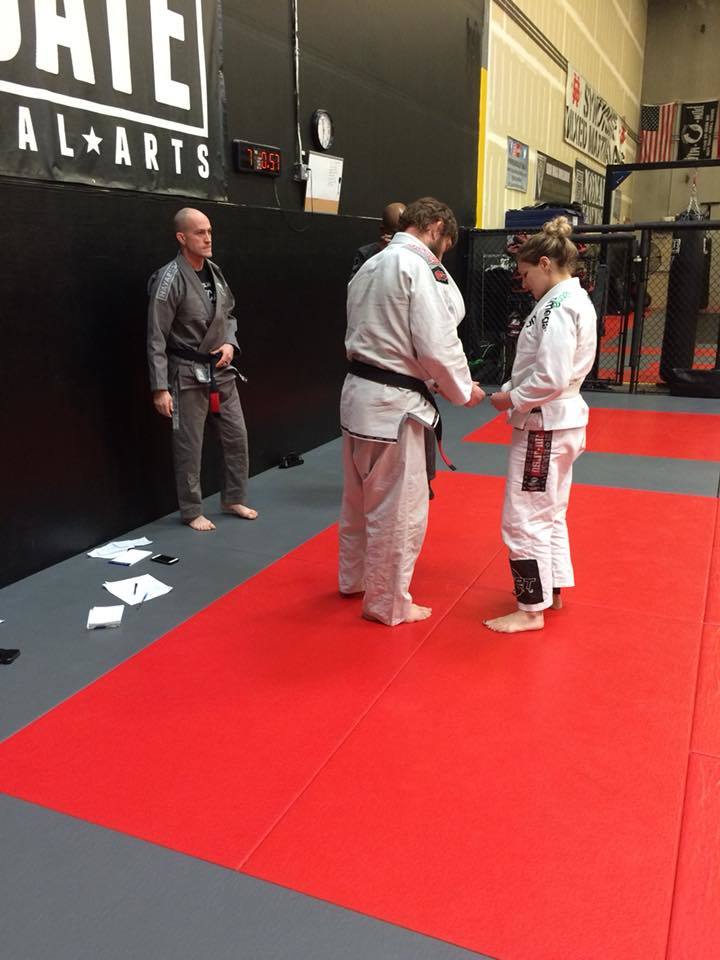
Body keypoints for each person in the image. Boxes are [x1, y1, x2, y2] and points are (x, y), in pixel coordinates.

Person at [339, 196, 485, 626]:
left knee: (357, 501)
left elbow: (390, 339)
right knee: (398, 510)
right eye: (446, 244)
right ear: (436, 227)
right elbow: (437, 341)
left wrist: (433, 380)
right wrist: (462, 390)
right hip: (394, 408)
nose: (444, 254)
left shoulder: (370, 264)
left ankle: (353, 579)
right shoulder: (417, 266)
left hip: (358, 396)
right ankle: (388, 603)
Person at [484, 216, 597, 633]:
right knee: (549, 512)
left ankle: (530, 608)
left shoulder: (557, 306)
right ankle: (553, 590)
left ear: (545, 264)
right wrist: (510, 389)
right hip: (558, 422)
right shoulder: (572, 299)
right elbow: (541, 370)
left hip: (545, 426)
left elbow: (550, 377)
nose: (524, 282)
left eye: (526, 273)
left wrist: (510, 398)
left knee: (524, 518)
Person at [147, 208, 257, 532]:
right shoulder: (169, 279)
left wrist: (230, 344)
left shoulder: (215, 272)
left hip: (220, 370)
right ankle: (191, 509)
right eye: (200, 232)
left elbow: (229, 315)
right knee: (189, 445)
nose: (208, 238)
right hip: (186, 373)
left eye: (209, 231)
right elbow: (156, 336)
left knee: (237, 437)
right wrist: (160, 388)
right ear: (182, 238)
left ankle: (233, 497)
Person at [349, 202, 406, 279]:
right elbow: (355, 283)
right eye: (395, 233)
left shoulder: (414, 254)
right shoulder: (365, 254)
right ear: (383, 230)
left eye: (404, 233)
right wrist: (379, 256)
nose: (400, 237)